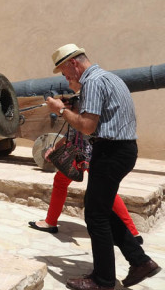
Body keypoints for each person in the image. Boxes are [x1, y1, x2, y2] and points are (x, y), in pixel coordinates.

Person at [45, 44, 160, 290]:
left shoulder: (93, 83)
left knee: (95, 216)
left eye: (66, 73)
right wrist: (73, 105)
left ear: (74, 64)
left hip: (110, 153)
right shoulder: (109, 77)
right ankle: (140, 261)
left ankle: (103, 280)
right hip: (122, 150)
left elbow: (86, 126)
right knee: (102, 210)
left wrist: (61, 110)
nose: (67, 79)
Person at [28, 79, 143, 243]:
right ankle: (51, 221)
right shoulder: (88, 95)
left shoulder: (89, 96)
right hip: (84, 150)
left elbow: (79, 129)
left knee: (103, 190)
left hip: (89, 151)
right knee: (62, 180)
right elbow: (73, 134)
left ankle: (131, 232)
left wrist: (63, 110)